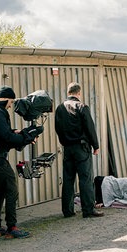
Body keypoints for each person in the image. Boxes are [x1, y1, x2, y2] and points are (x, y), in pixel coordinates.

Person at [0, 86, 43, 238]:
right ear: (7, 99)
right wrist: (27, 136)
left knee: (0, 191)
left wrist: (15, 132)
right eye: (11, 102)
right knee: (12, 189)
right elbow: (7, 138)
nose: (11, 106)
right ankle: (12, 227)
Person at [54, 82, 104, 218]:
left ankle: (68, 211)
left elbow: (57, 128)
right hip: (81, 148)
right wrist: (96, 146)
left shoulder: (59, 108)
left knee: (68, 179)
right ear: (79, 93)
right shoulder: (81, 107)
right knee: (85, 179)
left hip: (67, 148)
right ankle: (88, 210)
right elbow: (90, 127)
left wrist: (64, 142)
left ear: (68, 92)